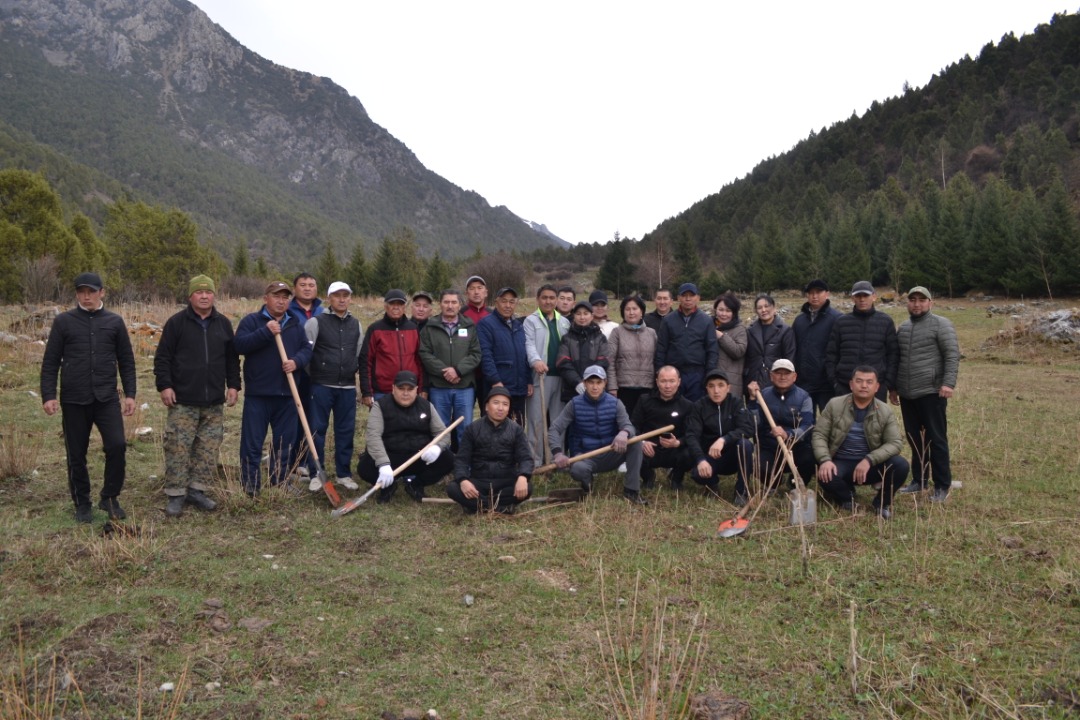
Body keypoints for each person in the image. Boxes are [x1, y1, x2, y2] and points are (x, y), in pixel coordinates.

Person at [41, 272, 137, 523]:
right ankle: (82, 503)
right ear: (76, 294)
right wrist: (48, 395)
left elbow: (126, 361)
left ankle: (109, 496)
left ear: (102, 292)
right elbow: (51, 361)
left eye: (91, 291)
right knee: (76, 453)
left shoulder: (114, 322)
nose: (86, 296)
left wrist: (131, 395)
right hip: (74, 398)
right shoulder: (64, 322)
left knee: (117, 445)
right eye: (82, 292)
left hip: (106, 398)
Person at [154, 274, 240, 517]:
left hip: (213, 401)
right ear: (190, 296)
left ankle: (197, 490)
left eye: (209, 292)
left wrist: (233, 385)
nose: (204, 296)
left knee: (208, 447)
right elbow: (162, 358)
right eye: (199, 292)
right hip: (182, 400)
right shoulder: (176, 323)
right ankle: (176, 494)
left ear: (214, 295)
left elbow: (232, 359)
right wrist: (165, 386)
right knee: (178, 447)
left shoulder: (223, 323)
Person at [234, 281, 313, 495]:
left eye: (285, 297)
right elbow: (239, 345)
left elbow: (307, 349)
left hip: (287, 395)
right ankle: (250, 483)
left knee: (283, 443)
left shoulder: (294, 324)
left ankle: (278, 481)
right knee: (252, 443)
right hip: (258, 394)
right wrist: (265, 332)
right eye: (276, 296)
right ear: (265, 298)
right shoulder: (252, 321)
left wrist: (296, 361)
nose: (281, 301)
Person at [813, 366, 909, 518]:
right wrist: (825, 460)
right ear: (851, 384)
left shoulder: (884, 410)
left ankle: (881, 503)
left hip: (870, 465)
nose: (864, 386)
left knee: (901, 465)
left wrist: (869, 459)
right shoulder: (834, 405)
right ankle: (847, 498)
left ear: (877, 387)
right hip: (841, 462)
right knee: (825, 475)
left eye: (869, 382)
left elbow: (895, 443)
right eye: (859, 381)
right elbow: (819, 434)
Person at [892, 286, 959, 502]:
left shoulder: (941, 324)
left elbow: (952, 355)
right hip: (908, 394)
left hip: (931, 392)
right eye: (912, 300)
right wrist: (894, 388)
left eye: (922, 300)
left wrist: (948, 383)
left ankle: (942, 485)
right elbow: (898, 360)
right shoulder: (903, 328)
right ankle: (919, 481)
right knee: (915, 440)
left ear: (930, 303)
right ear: (907, 303)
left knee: (936, 440)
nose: (917, 304)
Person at [548, 366, 647, 505]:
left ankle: (631, 490)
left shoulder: (615, 403)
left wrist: (624, 433)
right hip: (585, 457)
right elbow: (554, 429)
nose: (595, 387)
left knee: (636, 442)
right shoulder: (574, 404)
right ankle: (587, 483)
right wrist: (558, 453)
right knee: (577, 469)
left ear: (605, 383)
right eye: (591, 382)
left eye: (598, 382)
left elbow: (628, 425)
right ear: (584, 383)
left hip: (612, 452)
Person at [357, 370, 455, 503]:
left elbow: (443, 433)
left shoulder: (426, 406)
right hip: (390, 458)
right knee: (364, 467)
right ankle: (388, 486)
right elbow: (373, 436)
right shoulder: (380, 406)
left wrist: (437, 447)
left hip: (419, 457)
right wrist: (383, 463)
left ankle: (416, 485)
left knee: (448, 459)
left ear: (416, 390)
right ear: (393, 388)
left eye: (410, 389)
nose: (405, 393)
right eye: (401, 388)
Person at [304, 281, 363, 493]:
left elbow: (358, 353)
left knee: (346, 431)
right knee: (317, 430)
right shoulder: (316, 322)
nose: (341, 299)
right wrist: (318, 374)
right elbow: (306, 354)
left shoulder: (356, 324)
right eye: (337, 295)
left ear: (349, 298)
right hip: (321, 385)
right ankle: (315, 474)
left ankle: (343, 474)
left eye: (345, 295)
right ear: (329, 298)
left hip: (346, 387)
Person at [447, 387, 533, 514]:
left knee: (528, 488)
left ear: (509, 408)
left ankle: (479, 507)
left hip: (506, 482)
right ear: (487, 406)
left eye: (505, 404)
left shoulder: (516, 430)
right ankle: (500, 509)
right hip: (479, 482)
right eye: (496, 403)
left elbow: (526, 458)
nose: (500, 408)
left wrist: (523, 476)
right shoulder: (473, 429)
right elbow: (461, 460)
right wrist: (463, 480)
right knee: (453, 488)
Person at [419, 289, 481, 445]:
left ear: (460, 305)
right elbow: (425, 354)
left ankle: (463, 465)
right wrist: (445, 372)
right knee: (441, 428)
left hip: (464, 386)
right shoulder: (430, 327)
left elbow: (475, 354)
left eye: (454, 302)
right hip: (439, 386)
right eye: (446, 302)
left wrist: (458, 370)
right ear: (440, 304)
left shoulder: (469, 326)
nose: (450, 306)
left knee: (465, 428)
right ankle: (443, 463)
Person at [685, 369, 755, 504]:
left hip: (733, 456)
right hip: (711, 457)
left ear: (728, 387)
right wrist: (700, 460)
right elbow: (692, 435)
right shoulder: (699, 406)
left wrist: (724, 439)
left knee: (745, 444)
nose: (716, 391)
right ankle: (712, 484)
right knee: (697, 473)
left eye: (720, 385)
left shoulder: (736, 403)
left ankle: (741, 491)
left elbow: (748, 428)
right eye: (711, 386)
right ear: (706, 388)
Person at [746, 360, 815, 492]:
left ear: (794, 377)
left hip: (795, 447)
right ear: (771, 376)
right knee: (756, 465)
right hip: (769, 447)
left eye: (787, 373)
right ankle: (774, 483)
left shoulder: (804, 397)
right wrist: (753, 400)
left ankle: (794, 485)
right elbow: (755, 424)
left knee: (809, 459)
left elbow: (808, 426)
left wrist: (789, 434)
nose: (782, 377)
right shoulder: (763, 395)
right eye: (778, 373)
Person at [826, 281, 898, 401]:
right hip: (845, 386)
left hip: (876, 387)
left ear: (874, 297)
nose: (862, 299)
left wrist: (887, 383)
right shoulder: (841, 323)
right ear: (853, 298)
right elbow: (831, 354)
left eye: (865, 296)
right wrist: (834, 382)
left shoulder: (886, 322)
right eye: (858, 296)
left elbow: (893, 355)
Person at [524, 284, 570, 466]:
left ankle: (556, 459)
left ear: (556, 300)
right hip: (540, 376)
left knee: (559, 421)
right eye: (544, 297)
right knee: (536, 420)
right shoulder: (530, 321)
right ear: (538, 299)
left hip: (561, 378)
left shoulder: (564, 322)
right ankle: (535, 461)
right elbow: (528, 344)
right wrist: (535, 361)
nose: (548, 301)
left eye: (552, 298)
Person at [631, 366, 695, 490]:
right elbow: (633, 425)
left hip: (674, 449)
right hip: (650, 449)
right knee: (634, 451)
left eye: (672, 381)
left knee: (690, 453)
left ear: (679, 382)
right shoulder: (644, 400)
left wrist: (678, 442)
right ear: (657, 382)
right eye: (663, 381)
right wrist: (642, 442)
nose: (667, 386)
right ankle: (648, 477)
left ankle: (676, 479)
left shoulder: (687, 405)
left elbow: (691, 433)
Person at [477, 286, 532, 424]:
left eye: (511, 302)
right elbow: (485, 356)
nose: (508, 305)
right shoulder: (486, 324)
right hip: (498, 388)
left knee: (517, 428)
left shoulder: (518, 326)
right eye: (504, 301)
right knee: (494, 430)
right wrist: (495, 381)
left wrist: (529, 380)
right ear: (496, 302)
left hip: (518, 388)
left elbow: (524, 355)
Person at [359, 289, 423, 407]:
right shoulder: (375, 329)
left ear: (404, 307)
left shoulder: (413, 329)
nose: (396, 307)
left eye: (400, 304)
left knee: (409, 425)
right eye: (392, 304)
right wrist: (366, 391)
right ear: (385, 306)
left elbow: (420, 360)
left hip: (409, 390)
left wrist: (422, 388)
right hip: (382, 392)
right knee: (381, 425)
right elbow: (365, 361)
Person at [654, 282, 718, 402]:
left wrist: (709, 375)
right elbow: (661, 349)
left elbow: (712, 350)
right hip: (674, 374)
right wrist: (660, 373)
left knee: (695, 409)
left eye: (691, 295)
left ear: (698, 298)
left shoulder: (706, 320)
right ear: (678, 298)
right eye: (684, 295)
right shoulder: (668, 320)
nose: (688, 299)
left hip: (697, 374)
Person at [288, 272, 322, 478]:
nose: (307, 288)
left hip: (316, 373)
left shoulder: (323, 311)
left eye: (311, 284)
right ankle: (291, 460)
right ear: (295, 288)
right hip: (294, 372)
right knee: (292, 416)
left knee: (311, 417)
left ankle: (307, 459)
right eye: (303, 285)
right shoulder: (287, 311)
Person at [793, 279, 842, 413]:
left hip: (826, 383)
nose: (814, 296)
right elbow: (795, 349)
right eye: (811, 293)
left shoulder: (837, 319)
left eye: (818, 292)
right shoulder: (799, 321)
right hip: (803, 382)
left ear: (827, 294)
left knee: (830, 423)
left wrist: (834, 376)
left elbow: (839, 350)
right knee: (805, 423)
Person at [607, 295, 656, 419]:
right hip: (624, 389)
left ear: (642, 311)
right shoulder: (617, 332)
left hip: (647, 388)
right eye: (627, 309)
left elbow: (657, 360)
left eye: (635, 309)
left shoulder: (651, 333)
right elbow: (610, 361)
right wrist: (612, 386)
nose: (631, 312)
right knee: (625, 424)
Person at [556, 300, 610, 403]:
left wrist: (590, 382)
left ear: (591, 316)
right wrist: (577, 382)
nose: (582, 317)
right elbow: (563, 362)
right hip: (572, 390)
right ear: (574, 316)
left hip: (596, 390)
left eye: (586, 313)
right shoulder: (567, 338)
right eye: (578, 314)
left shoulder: (600, 338)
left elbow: (604, 361)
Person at [743, 294, 796, 393]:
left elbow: (789, 358)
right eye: (759, 307)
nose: (763, 310)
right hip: (753, 383)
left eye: (766, 306)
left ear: (774, 307)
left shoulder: (785, 331)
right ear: (756, 311)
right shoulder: (749, 331)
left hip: (776, 383)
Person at [713, 293, 747, 400]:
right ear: (715, 310)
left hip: (731, 384)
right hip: (712, 381)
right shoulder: (709, 325)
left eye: (728, 311)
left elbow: (738, 351)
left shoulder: (740, 329)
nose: (723, 314)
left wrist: (721, 336)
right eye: (721, 310)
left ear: (734, 313)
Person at [462, 275, 491, 405]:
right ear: (467, 293)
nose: (476, 291)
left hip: (487, 372)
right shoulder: (460, 314)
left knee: (488, 410)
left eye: (480, 288)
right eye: (472, 288)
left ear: (486, 292)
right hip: (466, 373)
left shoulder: (492, 314)